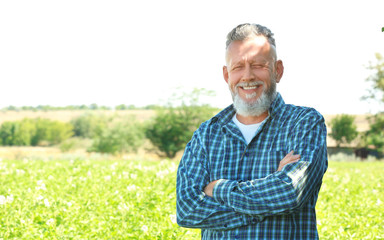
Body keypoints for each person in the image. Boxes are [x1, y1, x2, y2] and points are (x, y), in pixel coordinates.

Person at [176, 23, 328, 239]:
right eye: (238, 67)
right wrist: (268, 201)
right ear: (226, 75)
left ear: (278, 70)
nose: (247, 76)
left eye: (258, 65)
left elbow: (289, 192)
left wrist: (218, 188)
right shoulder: (207, 134)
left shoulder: (304, 123)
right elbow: (187, 210)